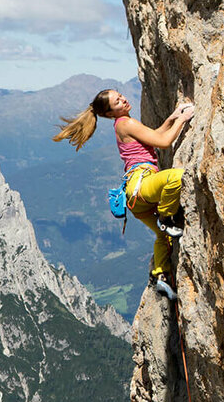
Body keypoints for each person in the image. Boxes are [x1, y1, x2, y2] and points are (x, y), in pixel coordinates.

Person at [53, 88, 194, 299]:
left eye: (120, 96)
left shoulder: (123, 124)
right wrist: (182, 120)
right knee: (175, 178)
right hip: (142, 185)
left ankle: (161, 276)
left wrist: (172, 119)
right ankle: (166, 217)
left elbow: (153, 136)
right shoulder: (126, 123)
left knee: (162, 237)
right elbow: (163, 142)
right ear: (110, 113)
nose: (123, 100)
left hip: (135, 197)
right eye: (117, 102)